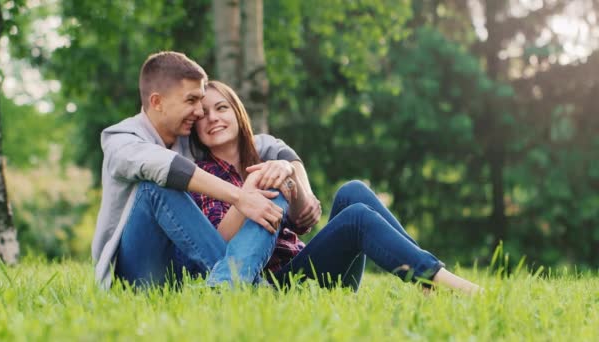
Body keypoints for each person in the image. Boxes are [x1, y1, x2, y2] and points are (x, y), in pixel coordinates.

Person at [191, 80, 481, 294]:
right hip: (278, 284)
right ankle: (442, 282)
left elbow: (303, 221)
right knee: (357, 218)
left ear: (237, 113)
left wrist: (289, 172)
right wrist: (246, 195)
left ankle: (427, 282)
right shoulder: (204, 175)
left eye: (221, 108)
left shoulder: (263, 158)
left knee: (353, 191)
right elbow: (216, 244)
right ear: (195, 127)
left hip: (308, 265)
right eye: (203, 114)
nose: (213, 118)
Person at [91, 51, 318, 289]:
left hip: (184, 266)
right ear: (157, 102)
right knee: (153, 189)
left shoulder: (186, 139)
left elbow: (268, 146)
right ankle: (245, 285)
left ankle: (229, 282)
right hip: (139, 269)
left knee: (270, 177)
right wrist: (241, 197)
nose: (200, 112)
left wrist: (293, 175)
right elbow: (164, 166)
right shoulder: (120, 140)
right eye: (191, 101)